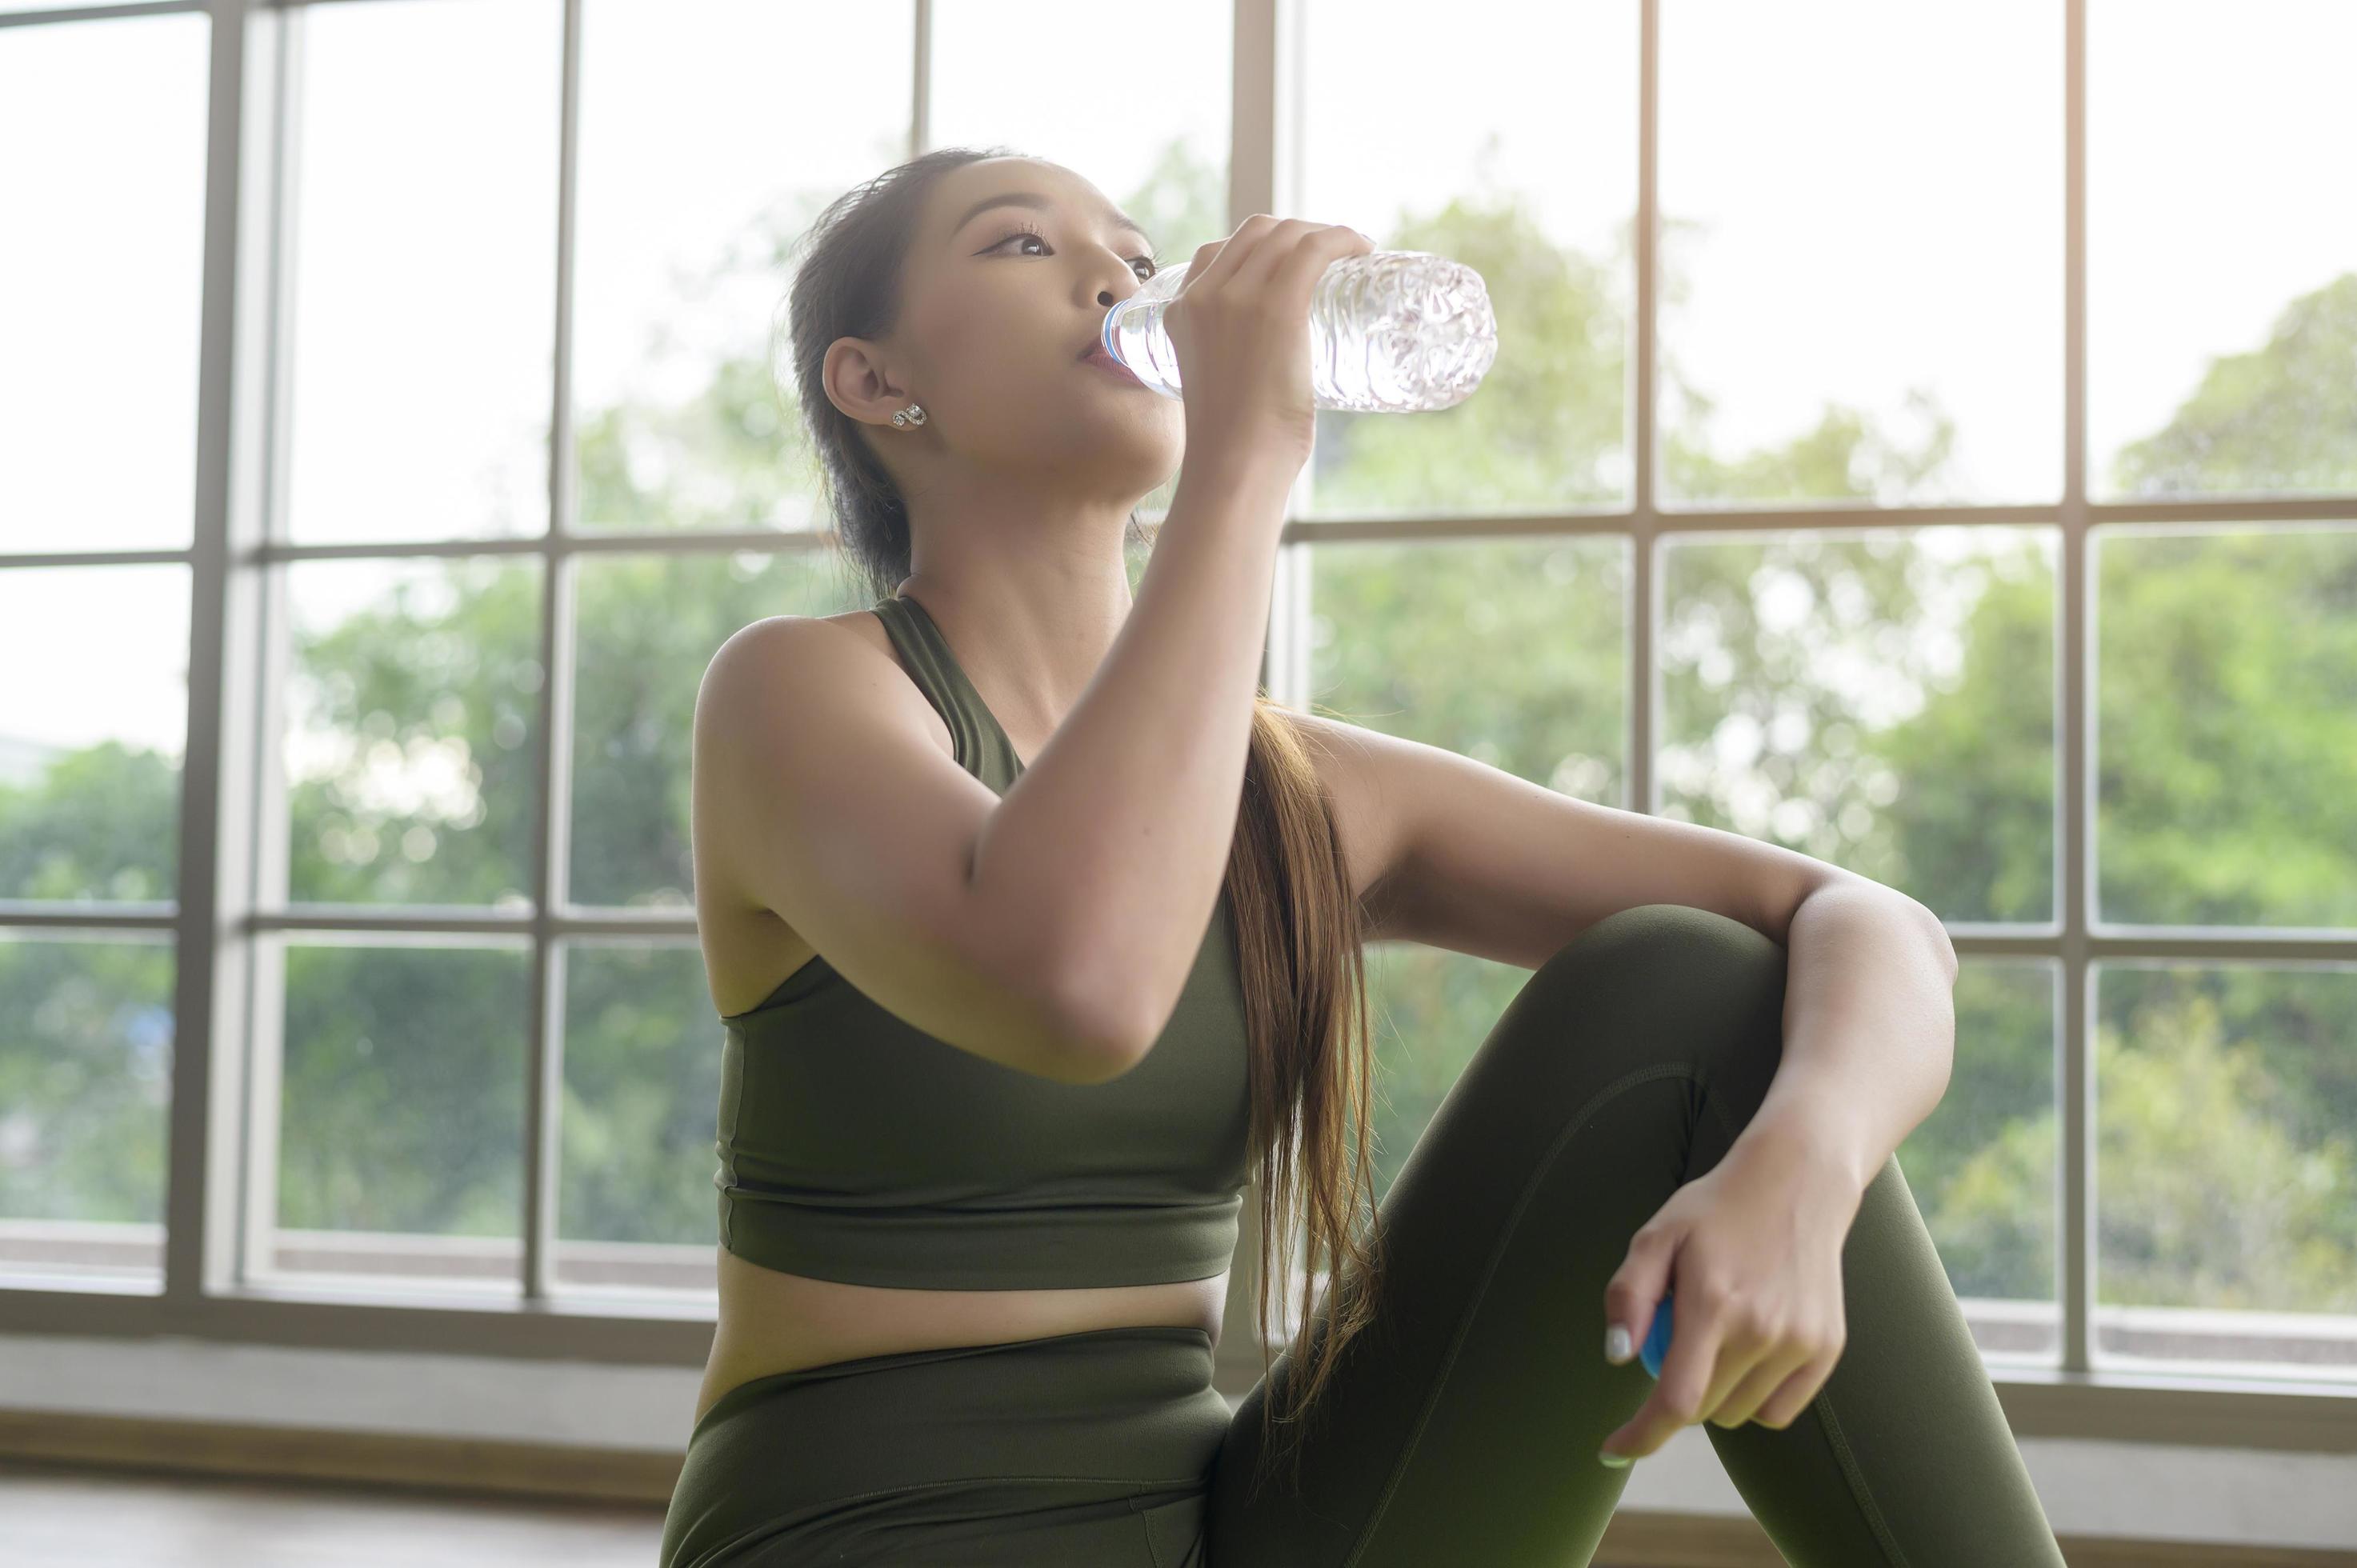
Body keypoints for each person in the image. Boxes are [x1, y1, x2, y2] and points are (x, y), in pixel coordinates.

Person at [661, 150, 2068, 1566]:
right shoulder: (800, 698)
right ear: (873, 380)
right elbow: (1076, 986)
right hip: (861, 1528)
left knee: (1689, 988)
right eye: (1022, 247)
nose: (1116, 281)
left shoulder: (1295, 790)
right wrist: (1248, 456)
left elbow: (1867, 921)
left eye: (1136, 256)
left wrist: (1799, 1171)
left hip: (1225, 1523)